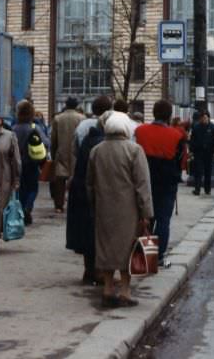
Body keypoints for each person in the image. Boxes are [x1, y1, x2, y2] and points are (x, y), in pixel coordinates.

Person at [87, 111, 153, 308]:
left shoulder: (96, 151)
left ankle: (107, 289)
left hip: (104, 207)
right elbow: (142, 185)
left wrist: (94, 205)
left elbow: (89, 184)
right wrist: (147, 213)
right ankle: (125, 290)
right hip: (129, 209)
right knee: (128, 250)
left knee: (106, 247)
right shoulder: (134, 150)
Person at [66, 95, 112, 285]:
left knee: (85, 229)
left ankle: (88, 270)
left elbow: (75, 150)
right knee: (100, 229)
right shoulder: (109, 125)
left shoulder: (83, 126)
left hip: (81, 177)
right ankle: (101, 272)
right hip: (101, 184)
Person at [135, 100, 185, 266]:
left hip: (144, 181)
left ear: (154, 112)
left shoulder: (140, 131)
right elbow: (181, 162)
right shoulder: (177, 136)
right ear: (169, 115)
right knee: (163, 220)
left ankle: (143, 254)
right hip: (167, 183)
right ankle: (157, 257)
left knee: (145, 218)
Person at [13, 100, 50, 225]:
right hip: (32, 163)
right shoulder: (34, 128)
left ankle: (21, 209)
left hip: (18, 163)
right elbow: (46, 143)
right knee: (32, 188)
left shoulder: (14, 129)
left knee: (21, 188)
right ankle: (28, 207)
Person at [50, 97, 84, 213]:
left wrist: (53, 153)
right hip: (76, 153)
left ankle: (59, 205)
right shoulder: (81, 118)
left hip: (61, 151)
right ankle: (75, 204)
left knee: (59, 181)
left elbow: (53, 139)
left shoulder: (58, 118)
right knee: (76, 179)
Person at [189, 111, 214, 196]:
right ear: (200, 119)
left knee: (208, 172)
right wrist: (191, 150)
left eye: (205, 118)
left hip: (209, 153)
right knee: (198, 171)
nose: (204, 119)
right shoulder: (196, 127)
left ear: (208, 118)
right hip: (198, 152)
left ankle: (207, 189)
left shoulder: (213, 127)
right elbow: (192, 140)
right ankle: (197, 189)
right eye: (202, 118)